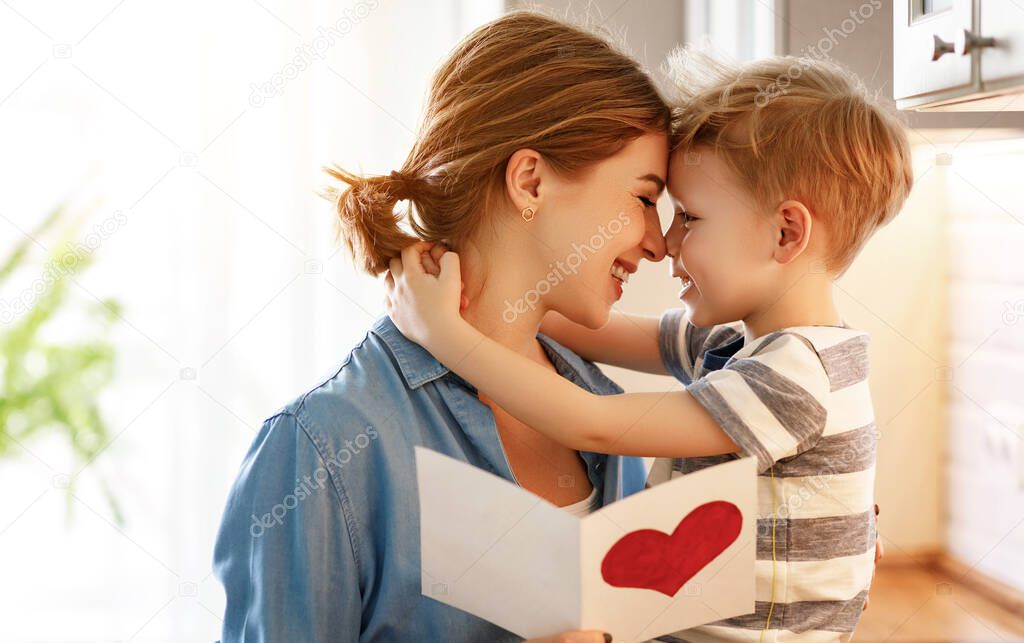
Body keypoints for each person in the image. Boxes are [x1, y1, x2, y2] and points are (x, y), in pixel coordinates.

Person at [384, 52, 910, 641]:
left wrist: (445, 337)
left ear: (785, 232)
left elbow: (595, 424)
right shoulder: (735, 345)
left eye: (689, 216)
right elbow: (587, 326)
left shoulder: (794, 377)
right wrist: (493, 288)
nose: (668, 242)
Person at [212, 10, 674, 642]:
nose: (658, 243)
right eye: (645, 198)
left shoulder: (602, 410)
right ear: (530, 181)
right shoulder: (322, 447)